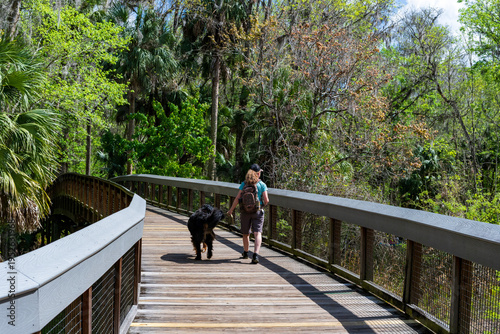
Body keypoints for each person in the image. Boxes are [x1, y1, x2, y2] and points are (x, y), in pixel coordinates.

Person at [227, 163, 269, 264]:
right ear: (258, 174)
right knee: (257, 233)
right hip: (257, 212)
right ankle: (255, 254)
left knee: (246, 233)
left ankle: (246, 253)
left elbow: (237, 198)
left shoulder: (244, 183)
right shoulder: (262, 184)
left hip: (245, 211)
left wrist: (231, 210)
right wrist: (260, 205)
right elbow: (267, 200)